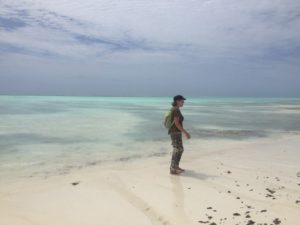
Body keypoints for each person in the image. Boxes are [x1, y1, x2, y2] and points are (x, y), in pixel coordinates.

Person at [168, 95, 191, 175]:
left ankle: (175, 166)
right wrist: (186, 133)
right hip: (175, 132)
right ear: (177, 101)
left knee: (179, 149)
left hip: (175, 132)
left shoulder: (174, 109)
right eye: (182, 101)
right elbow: (177, 124)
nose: (183, 102)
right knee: (177, 149)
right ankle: (173, 168)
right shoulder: (176, 110)